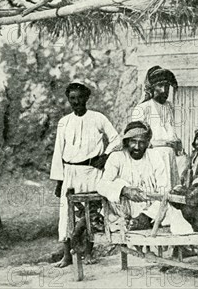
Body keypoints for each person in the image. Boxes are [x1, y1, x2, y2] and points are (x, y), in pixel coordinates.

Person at [50, 81, 120, 268]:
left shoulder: (98, 118)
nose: (76, 101)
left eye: (80, 97)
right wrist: (59, 181)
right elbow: (58, 152)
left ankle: (88, 253)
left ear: (87, 98)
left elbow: (116, 139)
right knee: (66, 212)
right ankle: (67, 256)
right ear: (68, 100)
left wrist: (105, 156)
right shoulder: (64, 122)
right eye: (72, 98)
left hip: (91, 172)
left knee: (90, 212)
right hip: (70, 173)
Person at [96, 121, 194, 235]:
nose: (137, 147)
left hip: (150, 211)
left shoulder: (155, 157)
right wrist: (124, 190)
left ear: (147, 143)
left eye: (141, 142)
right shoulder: (117, 157)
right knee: (118, 182)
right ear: (127, 141)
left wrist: (146, 216)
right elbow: (101, 185)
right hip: (122, 211)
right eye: (133, 142)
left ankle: (143, 220)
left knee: (168, 201)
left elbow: (164, 189)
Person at [131, 66, 185, 188]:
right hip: (151, 158)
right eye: (160, 86)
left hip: (169, 157)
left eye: (167, 86)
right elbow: (137, 141)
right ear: (151, 88)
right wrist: (164, 143)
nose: (164, 90)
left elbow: (170, 131)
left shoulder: (168, 107)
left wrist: (176, 143)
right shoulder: (142, 109)